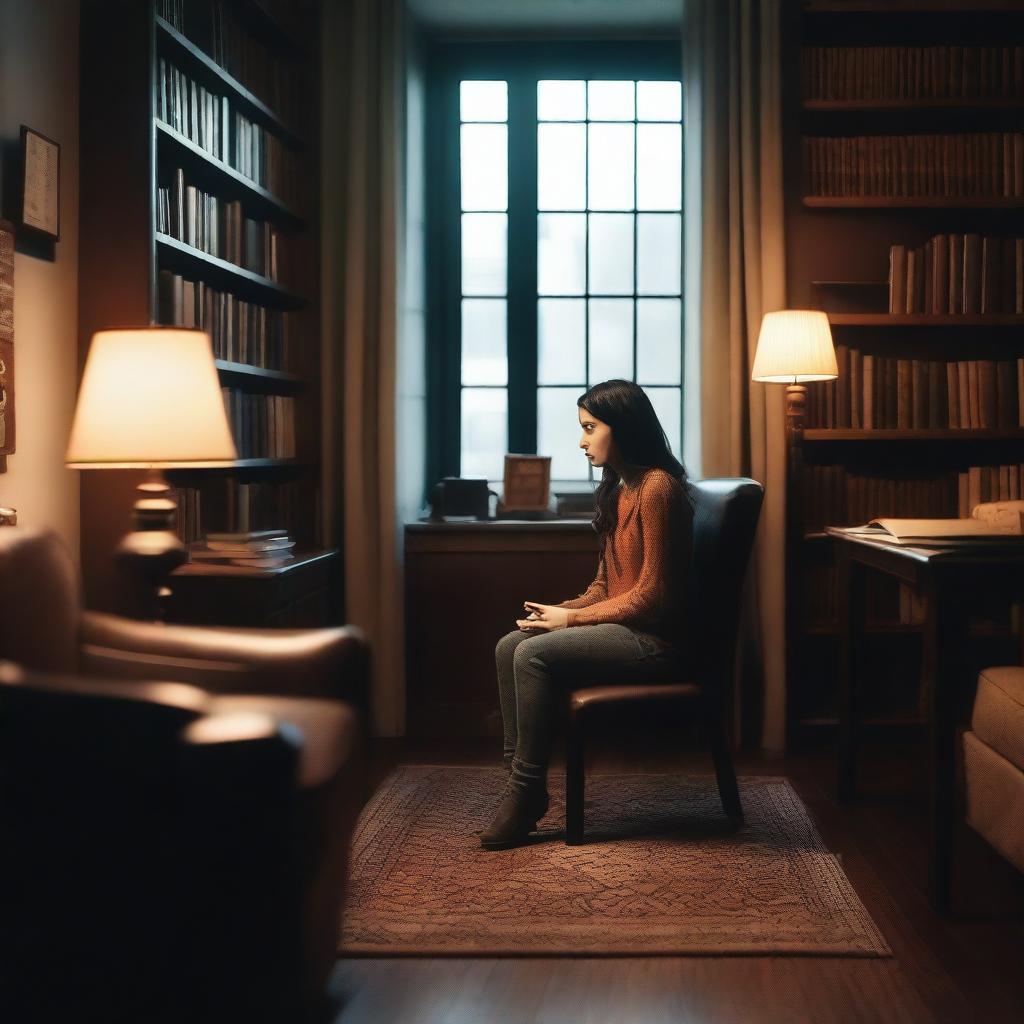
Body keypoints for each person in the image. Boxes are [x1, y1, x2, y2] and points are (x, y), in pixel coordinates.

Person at [480, 378, 694, 850]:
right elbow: (605, 586)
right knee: (509, 645)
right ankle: (523, 789)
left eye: (590, 428)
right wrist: (559, 611)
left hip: (656, 642)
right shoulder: (620, 489)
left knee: (531, 657)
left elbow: (654, 596)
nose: (581, 441)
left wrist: (570, 623)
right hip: (625, 627)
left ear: (622, 427)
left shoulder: (659, 488)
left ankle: (524, 793)